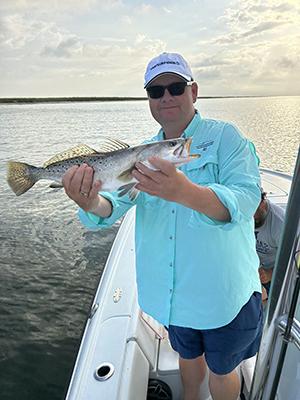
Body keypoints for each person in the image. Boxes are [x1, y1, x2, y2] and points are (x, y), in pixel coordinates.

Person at [63, 52, 263, 400]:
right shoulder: (143, 153)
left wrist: (186, 192)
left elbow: (246, 200)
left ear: (194, 91)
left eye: (175, 87)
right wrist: (89, 201)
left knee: (222, 369)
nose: (166, 97)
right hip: (175, 297)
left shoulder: (226, 138)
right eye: (156, 91)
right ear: (149, 100)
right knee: (187, 355)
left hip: (223, 296)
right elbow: (112, 206)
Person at [254, 188, 285, 296]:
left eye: (255, 218)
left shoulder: (280, 224)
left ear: (262, 203)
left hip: (275, 272)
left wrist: (270, 273)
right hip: (254, 268)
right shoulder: (245, 215)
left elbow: (293, 259)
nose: (251, 221)